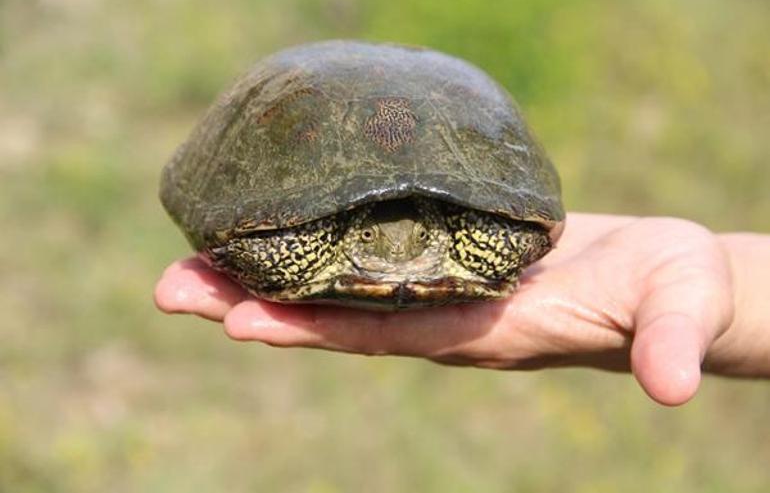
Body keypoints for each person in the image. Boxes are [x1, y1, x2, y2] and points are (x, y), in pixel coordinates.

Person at [154, 213, 770, 406]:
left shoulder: (470, 241)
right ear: (352, 236)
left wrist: (736, 285)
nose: (395, 253)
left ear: (436, 233)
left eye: (414, 240)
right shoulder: (314, 241)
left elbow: (529, 235)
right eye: (372, 240)